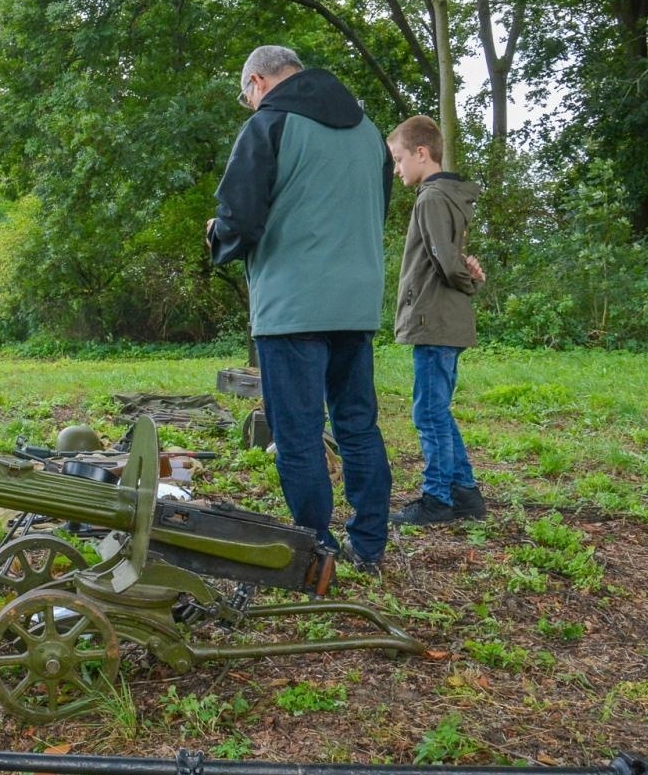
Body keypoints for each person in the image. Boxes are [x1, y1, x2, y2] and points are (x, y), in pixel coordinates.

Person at [206, 45, 393, 573]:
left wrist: (216, 237)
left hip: (292, 306)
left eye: (248, 95)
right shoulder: (370, 133)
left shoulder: (270, 126)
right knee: (358, 425)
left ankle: (317, 549)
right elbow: (374, 211)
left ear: (259, 81)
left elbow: (239, 218)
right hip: (355, 304)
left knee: (298, 433)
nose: (250, 104)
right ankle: (370, 545)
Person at [385, 115, 488, 525]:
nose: (396, 169)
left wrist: (466, 277)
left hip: (434, 318)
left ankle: (437, 499)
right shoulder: (450, 196)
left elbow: (446, 262)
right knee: (438, 410)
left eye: (398, 159)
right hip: (445, 318)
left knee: (428, 413)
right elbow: (453, 259)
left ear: (422, 154)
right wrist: (470, 276)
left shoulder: (430, 198)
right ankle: (465, 494)